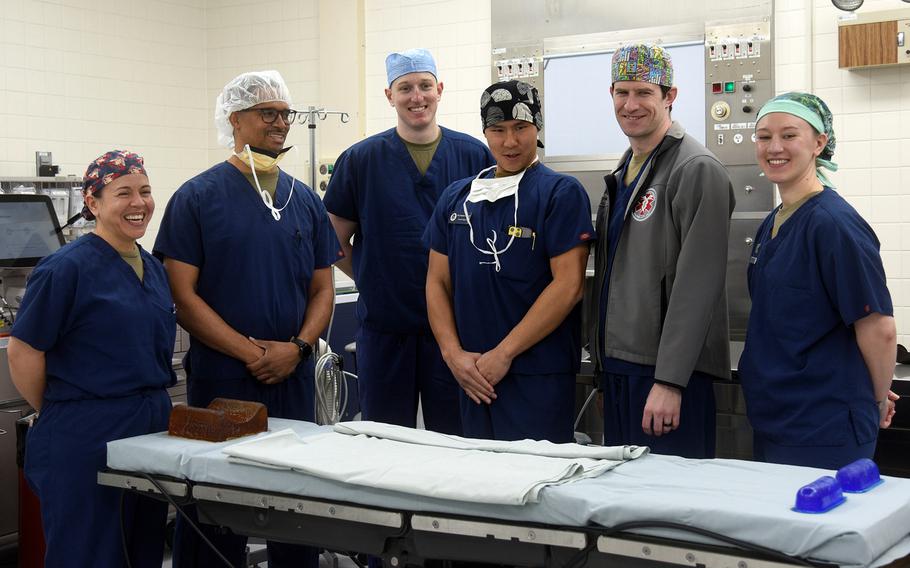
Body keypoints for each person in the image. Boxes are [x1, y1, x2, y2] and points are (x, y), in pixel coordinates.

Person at [154, 70, 340, 568]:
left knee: (293, 497)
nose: (281, 123)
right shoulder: (197, 198)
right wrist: (252, 354)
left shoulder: (304, 200)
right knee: (217, 498)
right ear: (235, 119)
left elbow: (323, 287)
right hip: (225, 378)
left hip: (292, 375)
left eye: (285, 114)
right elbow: (183, 296)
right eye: (268, 113)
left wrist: (297, 349)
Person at [8, 150, 175, 567]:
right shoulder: (65, 269)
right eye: (123, 193)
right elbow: (23, 350)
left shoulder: (152, 268)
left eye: (145, 191)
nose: (139, 203)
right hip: (86, 432)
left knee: (142, 550)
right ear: (93, 202)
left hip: (150, 427)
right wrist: (60, 409)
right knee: (88, 554)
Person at [324, 48, 493, 434]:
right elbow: (332, 239)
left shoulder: (473, 156)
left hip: (455, 332)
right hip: (387, 328)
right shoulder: (361, 160)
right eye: (405, 88)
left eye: (424, 86)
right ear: (389, 95)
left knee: (454, 440)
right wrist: (374, 275)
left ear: (440, 90)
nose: (416, 97)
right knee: (384, 438)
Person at [424, 79, 594, 443]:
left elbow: (569, 286)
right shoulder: (457, 198)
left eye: (520, 128)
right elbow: (437, 282)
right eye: (497, 130)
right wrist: (453, 354)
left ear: (537, 128)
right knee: (479, 485)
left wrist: (503, 354)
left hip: (535, 376)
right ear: (485, 132)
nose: (510, 142)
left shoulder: (560, 194)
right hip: (471, 375)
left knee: (538, 484)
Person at [588, 44, 735, 458]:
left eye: (644, 93)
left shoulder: (695, 169)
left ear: (669, 96)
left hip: (664, 377)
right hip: (622, 369)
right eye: (622, 92)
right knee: (625, 507)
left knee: (668, 510)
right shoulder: (627, 170)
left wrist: (670, 382)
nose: (630, 105)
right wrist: (604, 375)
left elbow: (697, 286)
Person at [739, 92, 899, 469]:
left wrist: (874, 400)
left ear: (819, 143)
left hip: (823, 429)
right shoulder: (775, 220)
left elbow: (879, 329)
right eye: (764, 137)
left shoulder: (833, 224)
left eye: (789, 135)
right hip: (776, 419)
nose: (774, 147)